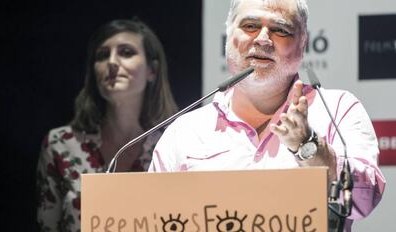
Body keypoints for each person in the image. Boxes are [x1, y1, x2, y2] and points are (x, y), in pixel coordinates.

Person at [148, 0, 385, 231]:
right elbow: (152, 217)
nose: (262, 39)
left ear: (303, 44)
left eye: (279, 30)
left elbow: (365, 201)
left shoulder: (337, 110)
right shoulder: (185, 131)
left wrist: (310, 146)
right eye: (250, 26)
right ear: (229, 38)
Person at [36, 19, 178, 231]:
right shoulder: (60, 144)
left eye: (127, 52)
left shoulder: (172, 144)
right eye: (102, 55)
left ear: (152, 71)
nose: (112, 62)